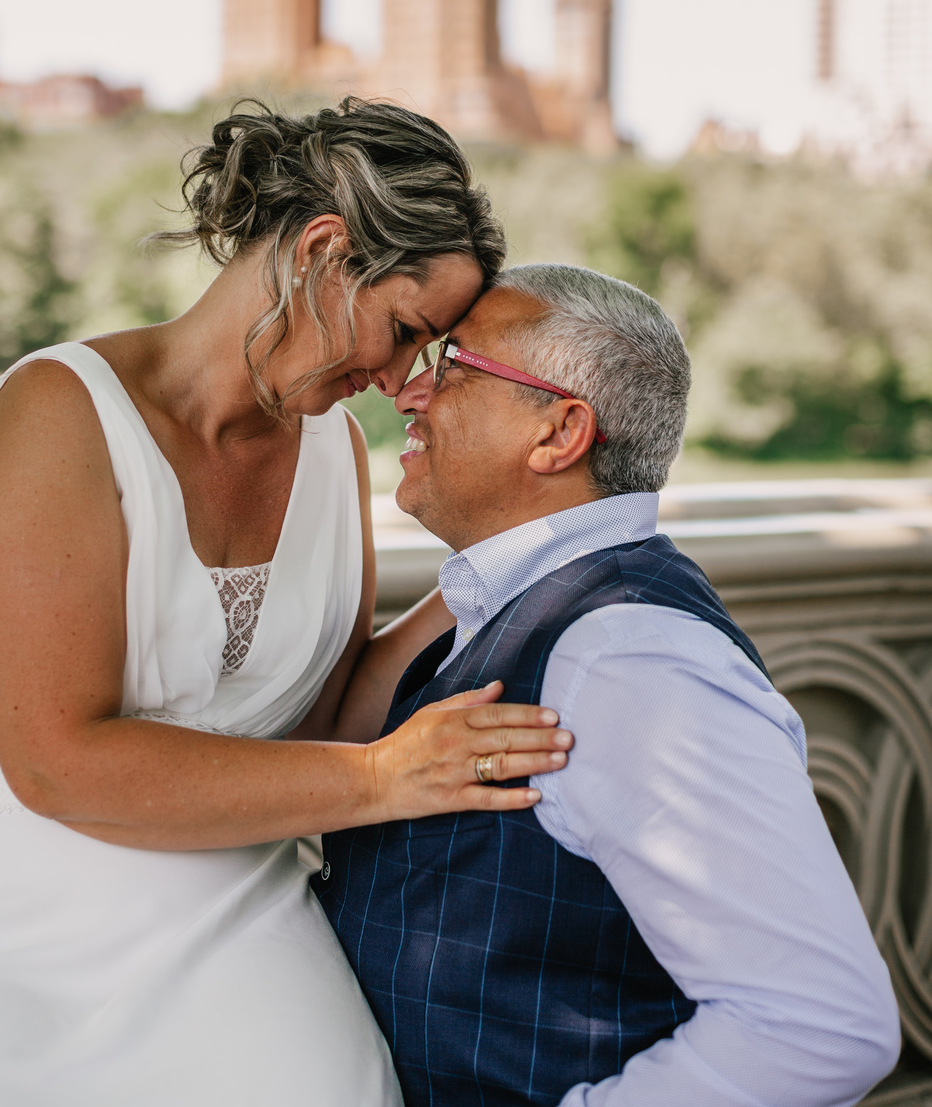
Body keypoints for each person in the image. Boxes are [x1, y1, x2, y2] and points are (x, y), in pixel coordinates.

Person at [0, 100, 574, 1107]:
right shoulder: (57, 413)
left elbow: (322, 718)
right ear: (321, 251)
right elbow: (55, 762)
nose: (399, 380)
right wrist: (386, 778)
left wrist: (506, 556)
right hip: (13, 902)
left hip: (232, 893)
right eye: (403, 330)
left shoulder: (330, 450)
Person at [316, 262, 902, 1107]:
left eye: (453, 365)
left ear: (560, 433)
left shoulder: (629, 658)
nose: (409, 393)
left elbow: (823, 1023)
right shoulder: (517, 602)